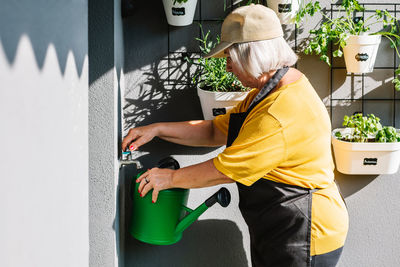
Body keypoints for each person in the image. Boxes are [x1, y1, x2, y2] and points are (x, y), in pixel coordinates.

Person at [122, 4, 348, 267]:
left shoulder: (280, 111)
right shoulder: (268, 93)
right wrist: (157, 129)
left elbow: (225, 170)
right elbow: (214, 130)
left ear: (251, 55)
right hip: (281, 225)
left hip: (304, 231)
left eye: (230, 58)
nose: (228, 68)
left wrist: (170, 179)